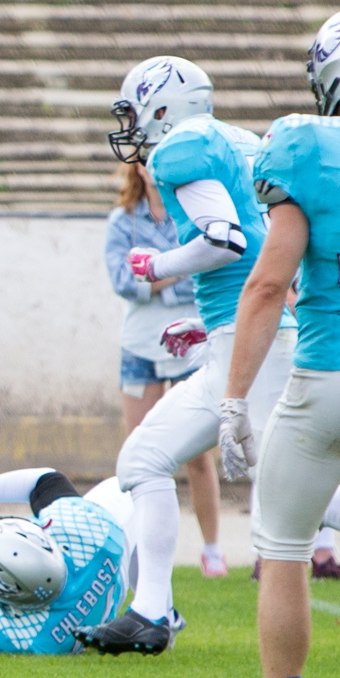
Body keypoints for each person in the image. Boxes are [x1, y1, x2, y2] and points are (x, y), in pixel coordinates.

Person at [78, 56, 302, 656]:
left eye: (134, 112)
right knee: (143, 461)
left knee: (293, 487)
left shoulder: (182, 147)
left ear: (160, 106)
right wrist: (206, 325)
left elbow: (225, 239)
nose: (131, 127)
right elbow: (255, 245)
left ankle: (153, 611)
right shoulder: (234, 141)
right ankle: (151, 613)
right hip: (240, 337)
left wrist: (160, 266)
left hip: (254, 347)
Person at [216, 10, 340, 678]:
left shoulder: (303, 146)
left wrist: (234, 398)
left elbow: (267, 284)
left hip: (326, 378)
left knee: (285, 547)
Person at [105, 161, 227, 578]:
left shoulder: (193, 218)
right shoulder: (122, 221)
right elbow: (123, 280)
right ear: (137, 169)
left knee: (197, 457)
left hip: (189, 345)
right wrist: (175, 268)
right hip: (140, 346)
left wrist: (155, 271)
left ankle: (212, 549)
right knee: (138, 452)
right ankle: (138, 553)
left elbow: (205, 272)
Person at [0, 470, 131, 654]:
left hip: (76, 612)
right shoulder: (80, 525)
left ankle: (157, 614)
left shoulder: (16, 634)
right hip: (110, 567)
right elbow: (45, 479)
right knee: (133, 486)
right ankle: (156, 614)